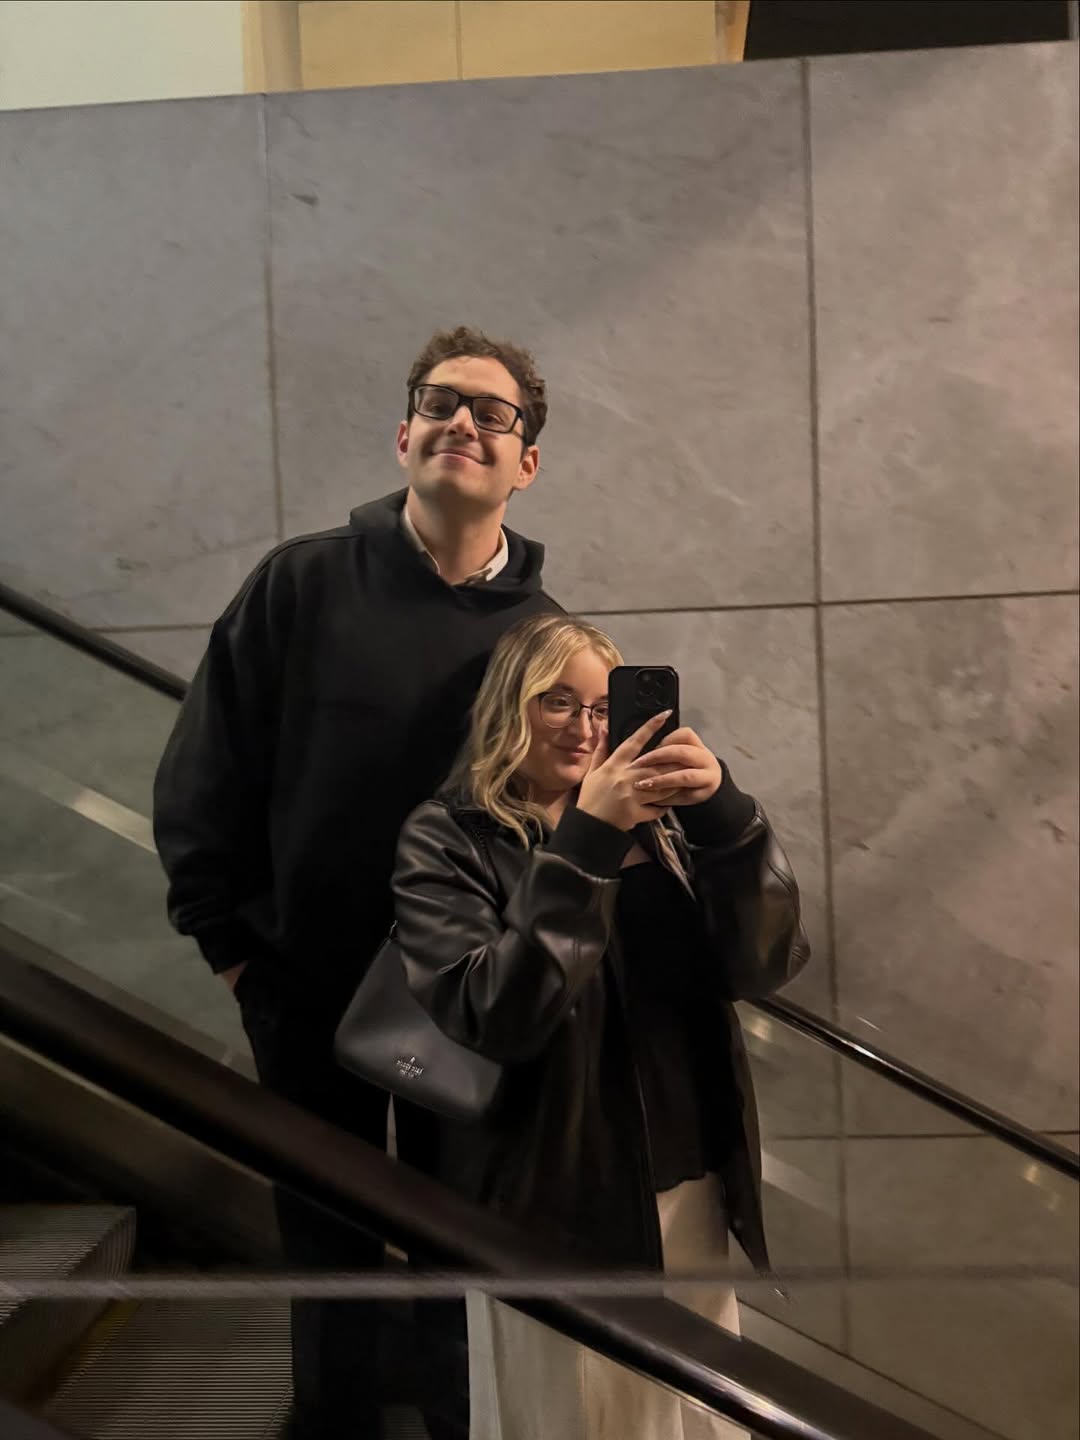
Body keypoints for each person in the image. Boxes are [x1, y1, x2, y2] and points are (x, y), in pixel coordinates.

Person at [152, 326, 562, 1439]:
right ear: (403, 436)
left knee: (452, 1247)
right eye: (439, 402)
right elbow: (205, 773)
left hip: (465, 1001)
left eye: (492, 413)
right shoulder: (301, 583)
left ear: (526, 462)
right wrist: (235, 953)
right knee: (325, 1245)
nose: (462, 422)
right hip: (301, 987)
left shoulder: (544, 638)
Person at [391, 612, 810, 1440]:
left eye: (602, 707)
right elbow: (494, 1013)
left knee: (688, 1415)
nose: (585, 728)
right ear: (509, 705)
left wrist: (726, 818)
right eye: (557, 701)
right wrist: (587, 841)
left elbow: (762, 965)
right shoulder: (449, 836)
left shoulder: (662, 826)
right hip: (552, 1202)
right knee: (568, 1416)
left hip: (687, 1179)